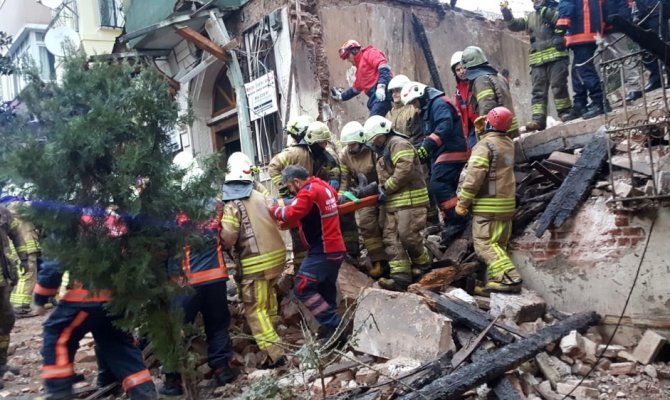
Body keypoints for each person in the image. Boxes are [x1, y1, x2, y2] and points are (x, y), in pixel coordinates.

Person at [33, 258, 157, 399]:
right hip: (117, 300)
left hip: (84, 299)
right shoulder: (117, 234)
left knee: (58, 338)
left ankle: (59, 393)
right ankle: (144, 394)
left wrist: (40, 298)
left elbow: (54, 264)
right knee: (120, 347)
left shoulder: (77, 234)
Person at [160, 195, 239, 395]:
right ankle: (222, 370)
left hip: (187, 282)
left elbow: (163, 247)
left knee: (176, 330)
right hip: (215, 277)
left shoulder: (172, 209)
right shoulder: (216, 206)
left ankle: (172, 380)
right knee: (217, 325)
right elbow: (226, 235)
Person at [220, 152, 287, 368]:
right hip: (276, 259)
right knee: (269, 303)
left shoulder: (232, 204)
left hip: (254, 264)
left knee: (255, 309)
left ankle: (276, 353)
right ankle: (271, 349)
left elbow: (228, 236)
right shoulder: (262, 196)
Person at [269, 166, 345, 340]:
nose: (290, 190)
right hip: (335, 248)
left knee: (302, 287)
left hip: (323, 249)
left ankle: (335, 325)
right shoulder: (324, 186)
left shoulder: (308, 192)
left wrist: (272, 209)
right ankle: (334, 334)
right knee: (326, 290)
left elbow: (290, 213)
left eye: (289, 186)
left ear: (296, 181)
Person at [456, 107, 522, 295]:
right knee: (498, 244)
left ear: (489, 123)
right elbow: (495, 163)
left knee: (484, 244)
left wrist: (463, 202)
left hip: (488, 205)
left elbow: (475, 176)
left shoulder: (484, 146)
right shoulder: (507, 143)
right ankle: (495, 283)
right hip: (506, 203)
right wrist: (482, 133)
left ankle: (510, 278)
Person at [363, 115, 432, 291]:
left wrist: (386, 188)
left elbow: (404, 169)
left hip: (410, 201)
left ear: (384, 132)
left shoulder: (398, 144)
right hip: (394, 203)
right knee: (390, 238)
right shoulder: (383, 149)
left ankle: (424, 265)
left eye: (375, 138)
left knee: (408, 236)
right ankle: (400, 277)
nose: (374, 142)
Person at [402, 81, 470, 246]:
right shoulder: (430, 106)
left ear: (421, 95)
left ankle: (458, 220)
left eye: (414, 102)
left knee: (438, 184)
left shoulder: (438, 104)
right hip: (444, 152)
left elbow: (444, 127)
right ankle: (452, 221)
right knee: (445, 187)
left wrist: (428, 145)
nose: (415, 106)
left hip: (451, 150)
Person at [268, 119, 340, 272]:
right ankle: (301, 270)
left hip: (313, 198)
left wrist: (333, 179)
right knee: (298, 233)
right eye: (322, 143)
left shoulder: (323, 154)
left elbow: (333, 167)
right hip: (301, 197)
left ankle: (311, 267)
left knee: (313, 231)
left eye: (325, 143)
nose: (324, 146)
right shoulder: (295, 152)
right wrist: (285, 189)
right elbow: (273, 166)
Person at [501, 0, 573, 130]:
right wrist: (507, 14)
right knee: (538, 91)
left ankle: (565, 113)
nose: (535, 1)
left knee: (559, 86)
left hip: (557, 57)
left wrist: (543, 10)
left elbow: (559, 19)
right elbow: (515, 25)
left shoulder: (557, 9)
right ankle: (538, 120)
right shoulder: (531, 17)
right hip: (537, 61)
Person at [337, 121, 386, 279]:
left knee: (388, 226)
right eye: (348, 145)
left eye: (353, 145)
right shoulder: (344, 155)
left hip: (382, 190)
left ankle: (397, 261)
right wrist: (341, 196)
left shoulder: (372, 150)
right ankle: (378, 261)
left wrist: (382, 187)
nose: (350, 148)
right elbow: (344, 178)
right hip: (363, 193)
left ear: (361, 141)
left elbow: (383, 171)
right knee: (366, 224)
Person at [557, 0, 607, 120]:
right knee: (577, 71)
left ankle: (600, 102)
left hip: (581, 32)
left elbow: (567, 5)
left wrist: (560, 30)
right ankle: (580, 103)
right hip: (590, 31)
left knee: (585, 70)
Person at [461, 46, 520, 137]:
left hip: (498, 133)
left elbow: (487, 106)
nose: (463, 71)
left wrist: (486, 133)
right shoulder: (497, 76)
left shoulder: (481, 80)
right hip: (509, 130)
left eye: (464, 68)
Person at [0, 197, 41, 317]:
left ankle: (17, 306)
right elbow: (32, 208)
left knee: (24, 275)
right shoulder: (14, 206)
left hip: (23, 248)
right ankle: (20, 306)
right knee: (26, 275)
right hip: (25, 249)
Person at [330, 40, 393, 116]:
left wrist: (381, 87)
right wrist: (341, 96)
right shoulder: (359, 72)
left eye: (348, 56)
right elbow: (355, 89)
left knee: (373, 124)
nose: (348, 60)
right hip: (376, 98)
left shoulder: (369, 53)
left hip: (383, 93)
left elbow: (383, 66)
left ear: (354, 51)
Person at [600, 0, 643, 104]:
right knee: (597, 62)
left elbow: (626, 5)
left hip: (615, 26)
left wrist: (620, 20)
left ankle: (635, 87)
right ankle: (599, 96)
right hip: (601, 29)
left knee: (624, 56)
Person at [0, 206, 20, 389]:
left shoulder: (2, 212)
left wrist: (24, 257)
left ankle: (1, 363)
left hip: (2, 281)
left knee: (7, 320)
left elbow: (17, 233)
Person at [385, 74, 423, 146]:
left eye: (397, 91)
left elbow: (418, 137)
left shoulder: (413, 110)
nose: (394, 94)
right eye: (393, 91)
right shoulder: (389, 114)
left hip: (412, 150)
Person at [450, 51, 478, 148]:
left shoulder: (477, 82)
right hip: (470, 129)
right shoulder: (458, 90)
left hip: (482, 124)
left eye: (463, 68)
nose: (461, 71)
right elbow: (459, 112)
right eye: (458, 70)